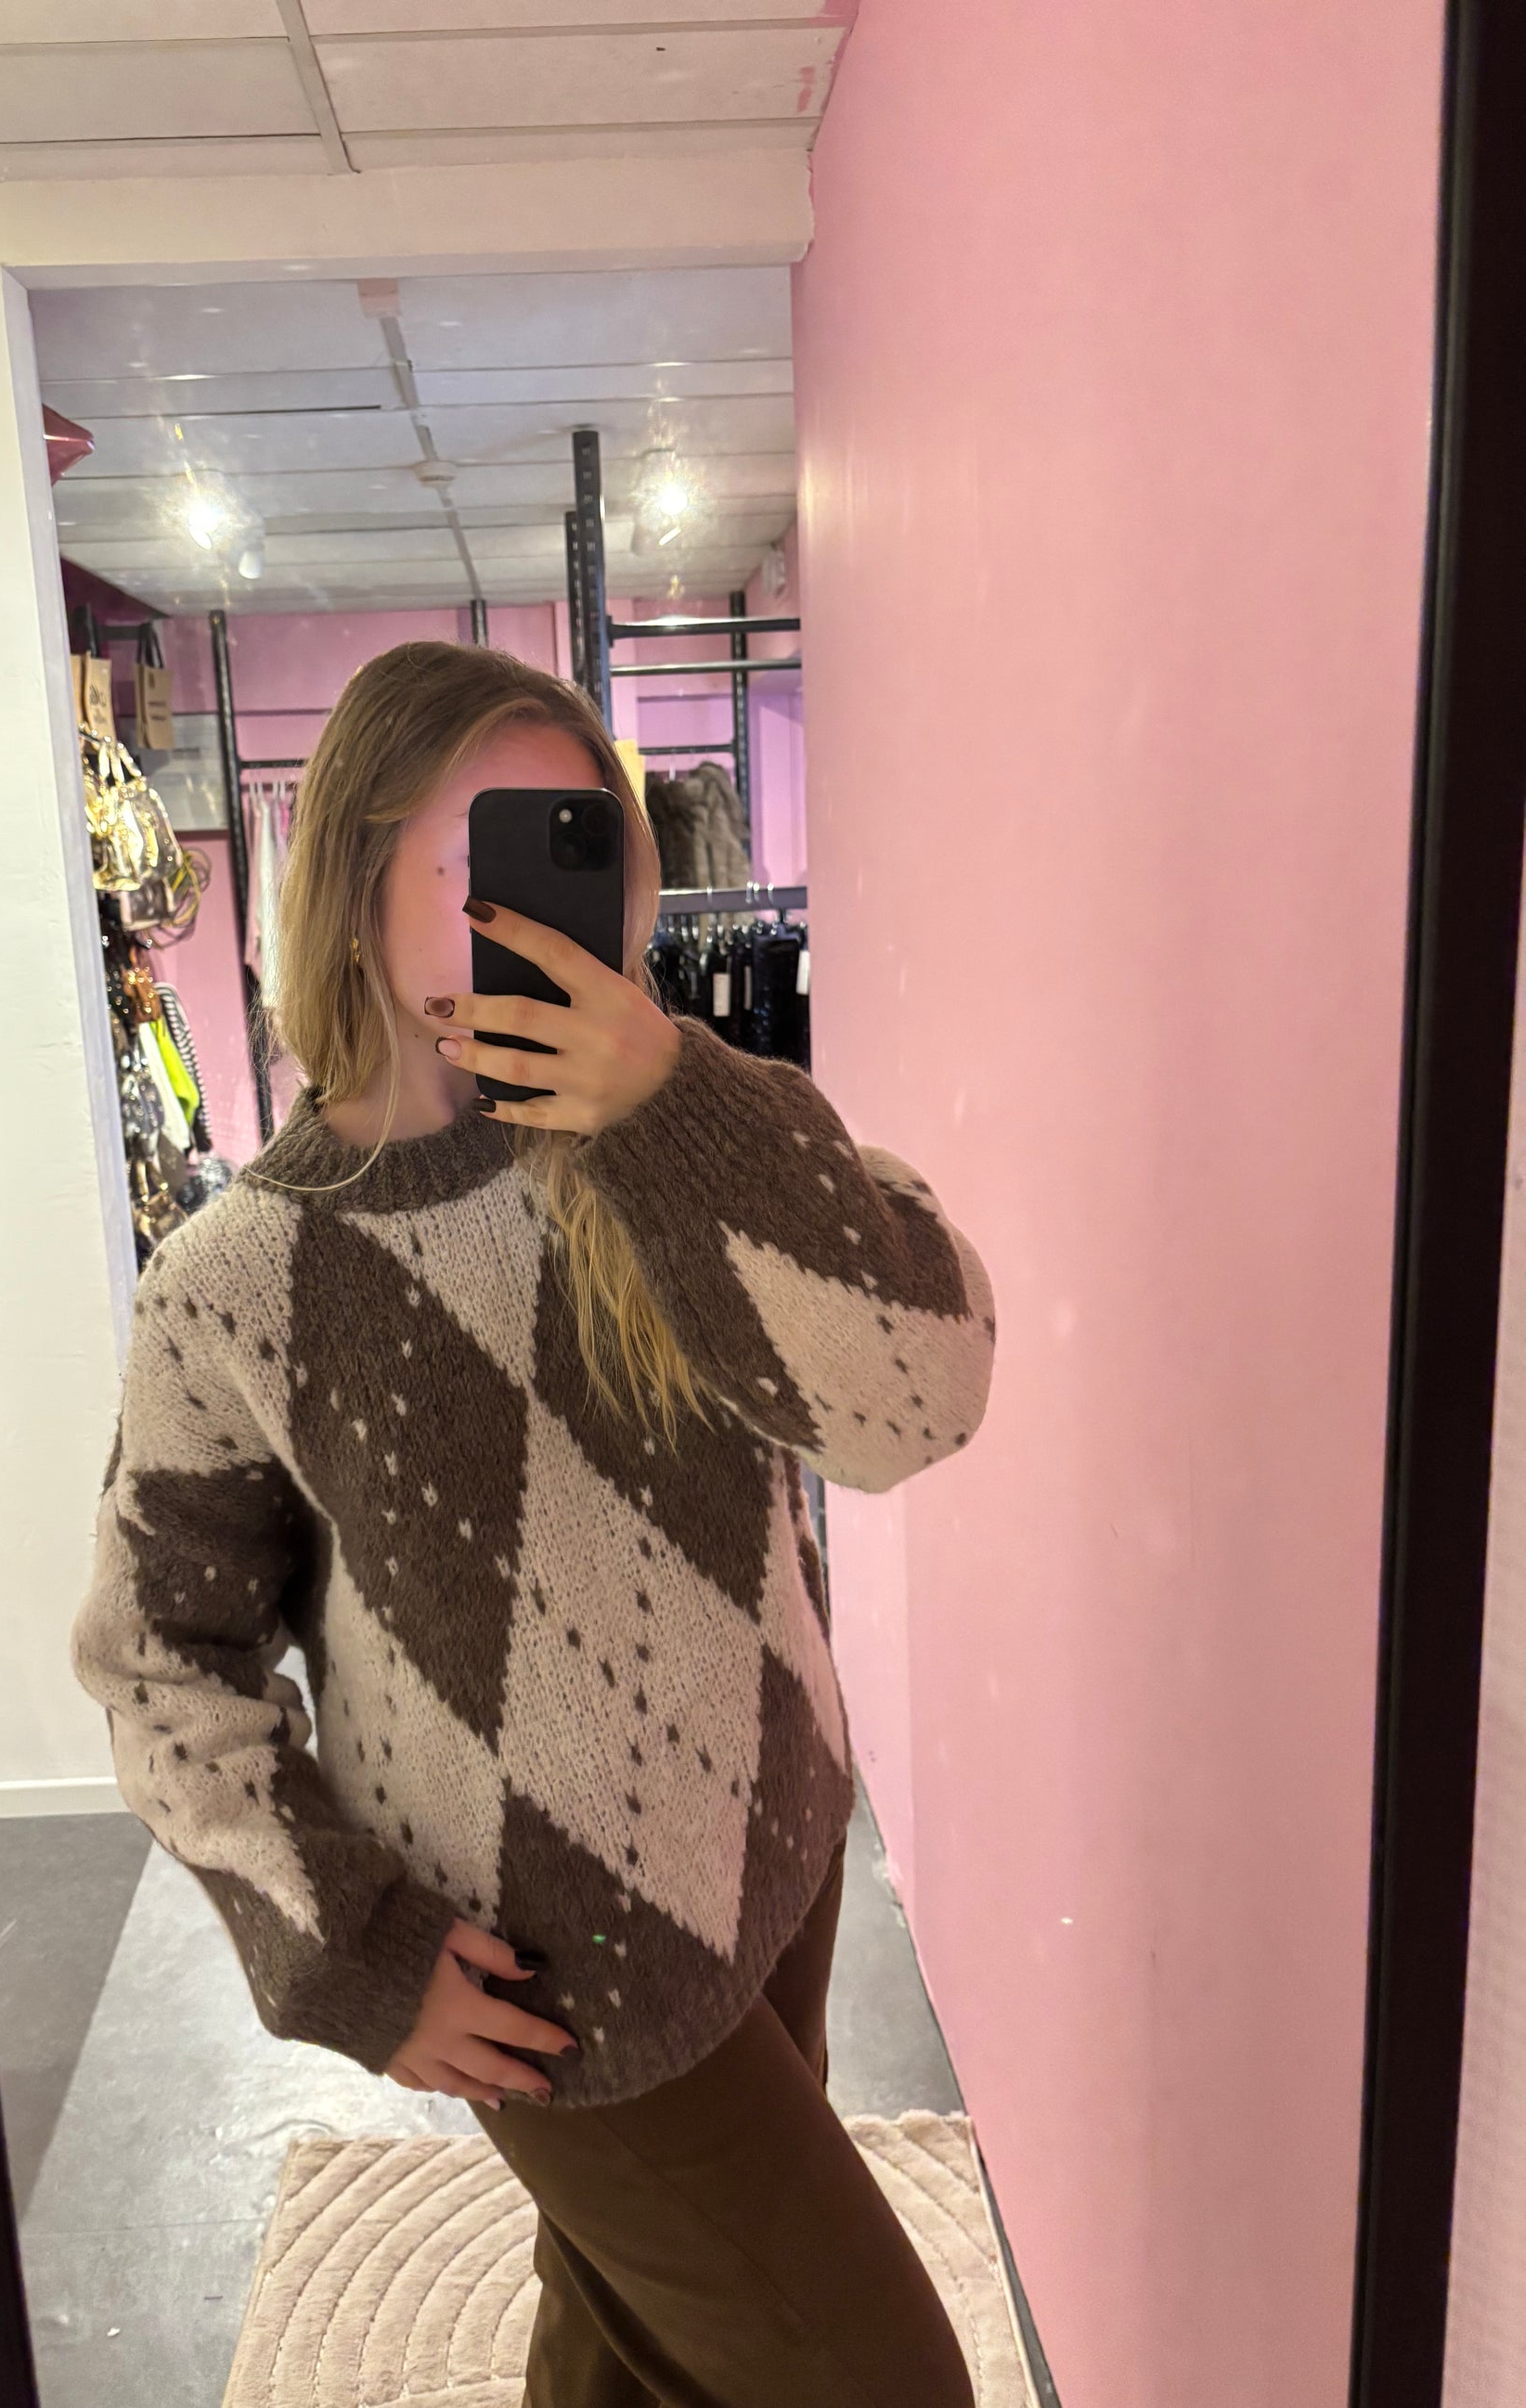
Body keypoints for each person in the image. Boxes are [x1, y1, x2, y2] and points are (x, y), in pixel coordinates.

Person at [70, 639, 996, 2404]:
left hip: (778, 1834)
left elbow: (920, 1396)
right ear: (354, 882)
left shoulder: (696, 1136)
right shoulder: (238, 1279)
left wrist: (677, 1107)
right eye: (479, 856)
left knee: (639, 2338)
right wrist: (348, 1952)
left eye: (579, 851)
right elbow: (159, 1662)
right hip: (553, 1966)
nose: (537, 912)